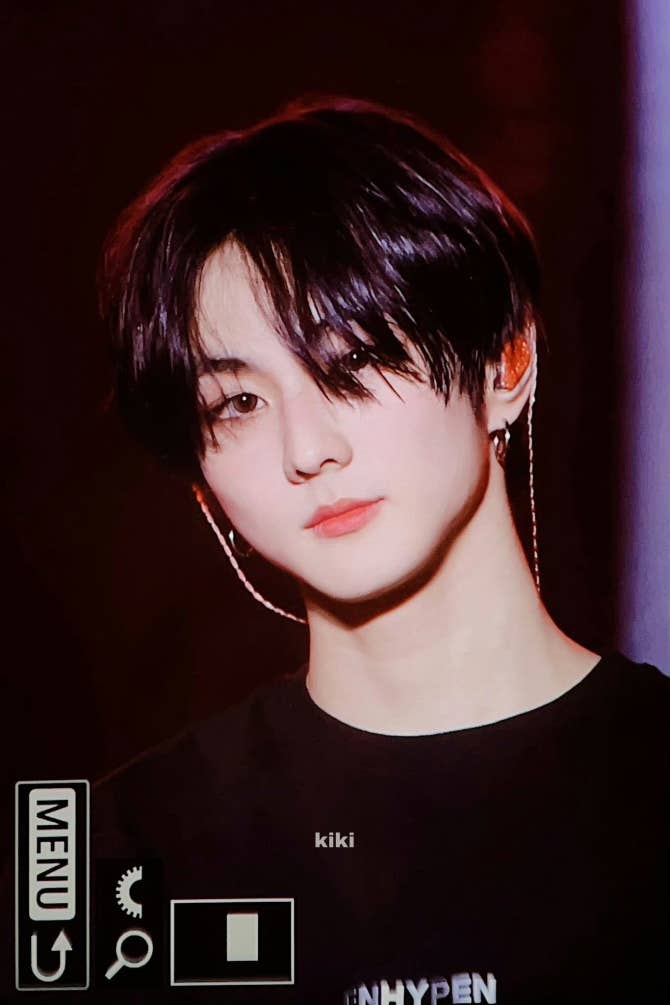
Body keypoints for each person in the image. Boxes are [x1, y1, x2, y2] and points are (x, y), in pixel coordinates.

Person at [5, 97, 668, 1004]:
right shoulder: (104, 863)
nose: (307, 448)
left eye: (352, 360)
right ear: (200, 477)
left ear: (505, 361)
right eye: (239, 403)